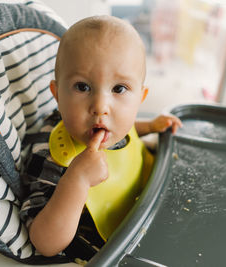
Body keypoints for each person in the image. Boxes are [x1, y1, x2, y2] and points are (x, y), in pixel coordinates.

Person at [20, 15, 182, 260]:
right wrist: (77, 180)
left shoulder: (111, 125)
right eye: (83, 87)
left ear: (140, 97)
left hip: (149, 209)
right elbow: (45, 242)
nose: (100, 107)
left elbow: (125, 136)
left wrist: (149, 126)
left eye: (119, 89)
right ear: (57, 94)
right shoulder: (50, 154)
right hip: (112, 249)